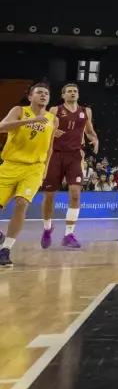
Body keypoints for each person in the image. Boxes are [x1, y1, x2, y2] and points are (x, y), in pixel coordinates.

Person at [0, 83, 58, 267]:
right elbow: (2, 127)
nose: (43, 95)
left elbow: (49, 148)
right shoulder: (19, 110)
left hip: (34, 168)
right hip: (10, 165)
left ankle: (6, 250)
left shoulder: (52, 119)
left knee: (21, 204)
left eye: (47, 93)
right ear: (30, 97)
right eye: (39, 92)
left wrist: (45, 170)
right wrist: (28, 121)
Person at [39, 83, 99, 249]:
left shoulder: (86, 111)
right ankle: (47, 228)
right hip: (55, 155)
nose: (73, 93)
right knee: (49, 195)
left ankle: (69, 234)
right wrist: (50, 130)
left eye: (75, 91)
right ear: (63, 95)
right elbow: (43, 127)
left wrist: (95, 138)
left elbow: (89, 131)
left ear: (78, 95)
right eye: (69, 91)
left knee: (75, 194)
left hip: (74, 155)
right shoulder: (54, 110)